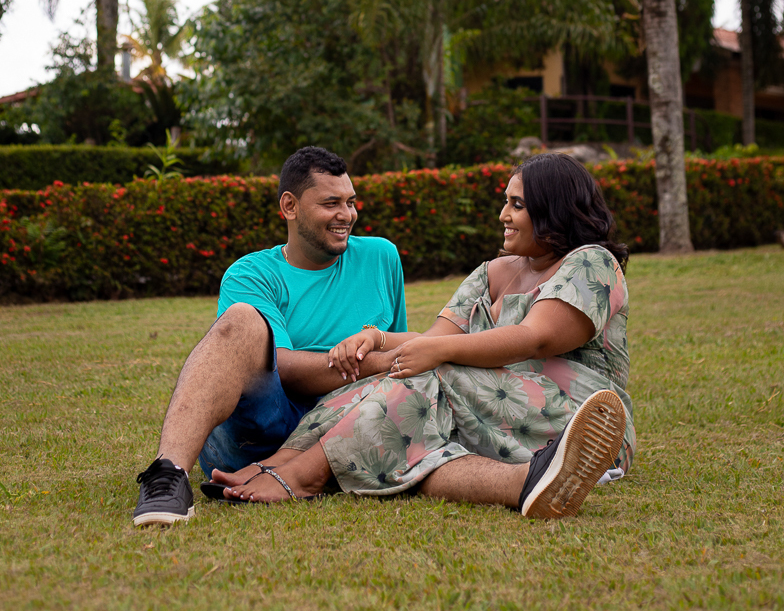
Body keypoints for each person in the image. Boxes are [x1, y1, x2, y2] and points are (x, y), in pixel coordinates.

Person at [202, 152, 636, 519]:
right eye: (506, 202)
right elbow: (435, 335)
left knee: (431, 371)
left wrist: (433, 351)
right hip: (488, 413)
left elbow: (537, 338)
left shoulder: (591, 262)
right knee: (387, 386)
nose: (503, 215)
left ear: (554, 210)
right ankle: (279, 462)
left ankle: (304, 474)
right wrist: (374, 338)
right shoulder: (492, 272)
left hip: (579, 421)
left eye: (517, 205)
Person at [133, 145, 412, 527]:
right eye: (331, 203)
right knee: (242, 320)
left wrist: (391, 357)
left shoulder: (381, 257)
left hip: (348, 421)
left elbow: (394, 353)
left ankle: (303, 471)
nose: (346, 215)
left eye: (351, 202)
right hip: (265, 429)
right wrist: (382, 359)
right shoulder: (252, 274)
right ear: (290, 206)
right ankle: (168, 474)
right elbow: (287, 369)